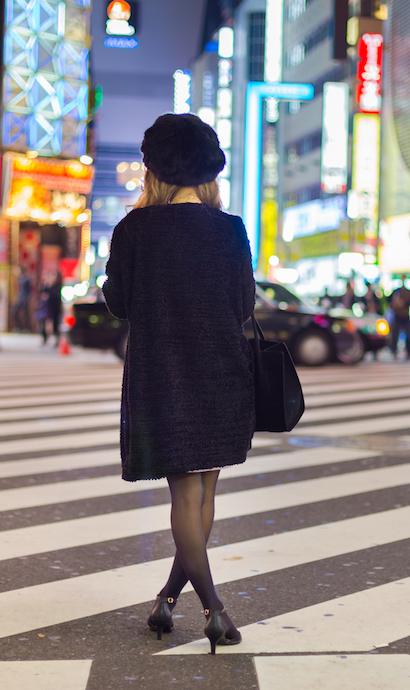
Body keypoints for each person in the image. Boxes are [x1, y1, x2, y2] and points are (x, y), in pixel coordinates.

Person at [102, 114, 254, 654]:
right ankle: (168, 599)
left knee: (184, 497)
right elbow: (244, 306)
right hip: (222, 370)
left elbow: (120, 305)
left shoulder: (134, 230)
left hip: (163, 371)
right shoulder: (231, 228)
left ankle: (213, 608)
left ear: (154, 172)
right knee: (204, 492)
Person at [389, 275, 410, 359]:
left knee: (408, 334)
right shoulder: (396, 291)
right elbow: (390, 301)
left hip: (405, 315)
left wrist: (404, 302)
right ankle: (393, 351)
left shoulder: (408, 291)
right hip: (397, 315)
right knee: (395, 334)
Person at [46, 272, 63, 346]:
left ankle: (57, 339)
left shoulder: (58, 286)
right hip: (51, 308)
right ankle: (47, 338)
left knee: (56, 324)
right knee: (50, 324)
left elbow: (54, 297)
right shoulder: (51, 286)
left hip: (56, 308)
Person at [13, 265, 32, 332]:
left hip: (24, 299)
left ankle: (26, 328)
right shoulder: (20, 278)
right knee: (15, 312)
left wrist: (26, 299)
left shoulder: (26, 279)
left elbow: (29, 290)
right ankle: (19, 327)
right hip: (20, 298)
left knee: (25, 314)